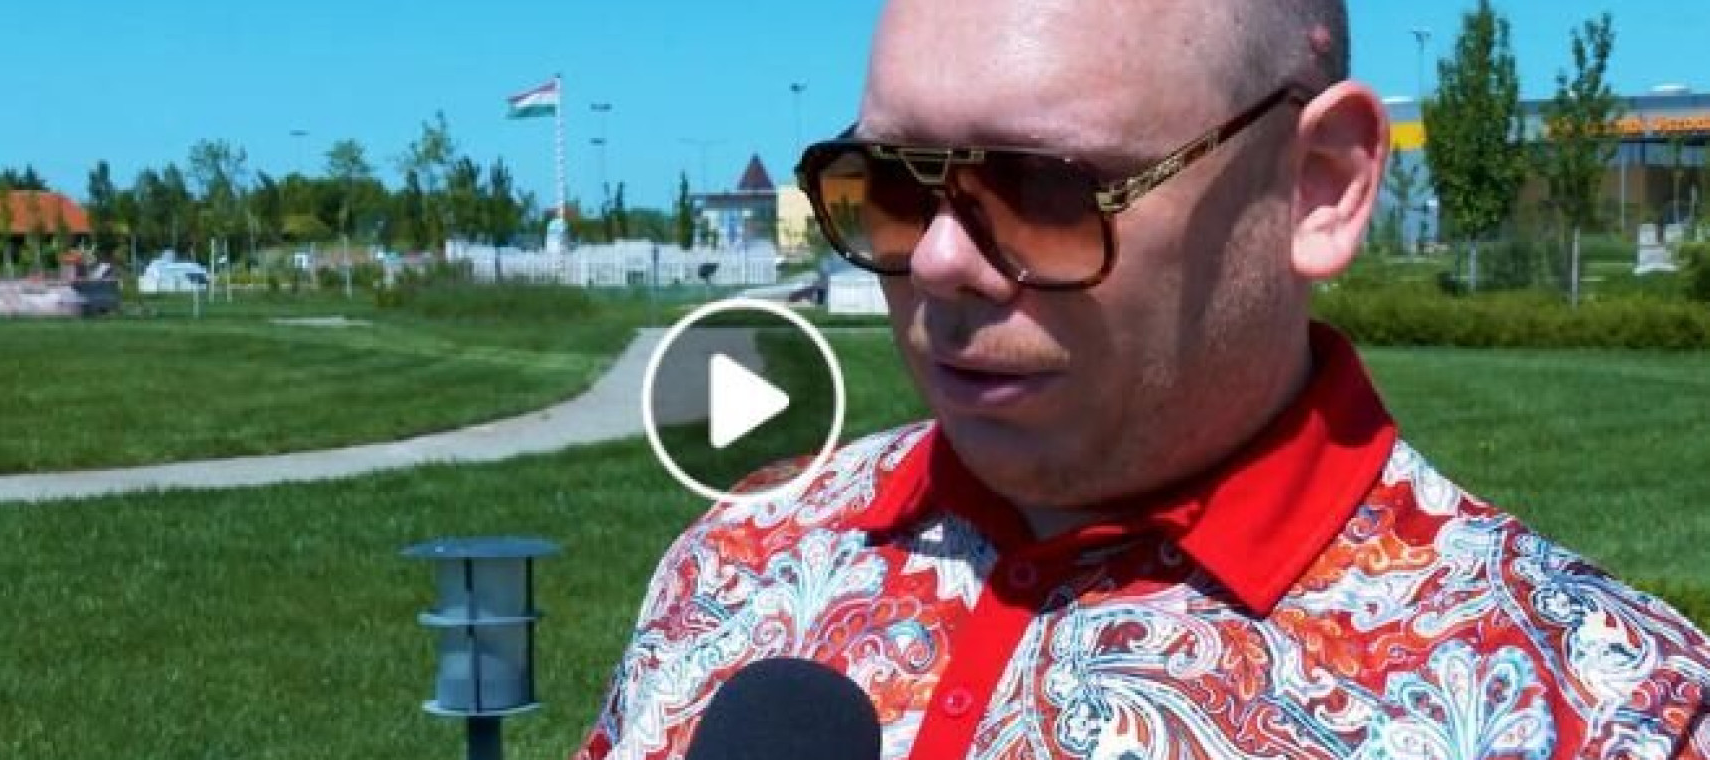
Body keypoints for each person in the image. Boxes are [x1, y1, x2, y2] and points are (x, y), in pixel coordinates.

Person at [577, 1, 1710, 758]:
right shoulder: (738, 556)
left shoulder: (1600, 710)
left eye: (1045, 189)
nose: (939, 260)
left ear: (1318, 185)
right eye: (891, 182)